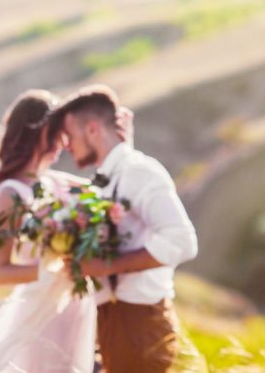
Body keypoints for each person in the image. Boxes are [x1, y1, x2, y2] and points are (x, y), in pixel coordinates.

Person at [0, 89, 131, 373]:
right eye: (58, 132)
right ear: (37, 132)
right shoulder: (10, 194)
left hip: (73, 308)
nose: (65, 141)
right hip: (36, 313)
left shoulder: (54, 182)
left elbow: (107, 188)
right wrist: (51, 271)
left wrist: (123, 141)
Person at [48, 84, 198, 373]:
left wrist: (103, 266)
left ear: (93, 129)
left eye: (70, 135)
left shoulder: (139, 172)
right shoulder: (108, 178)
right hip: (116, 320)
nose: (67, 145)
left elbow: (182, 241)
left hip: (139, 323)